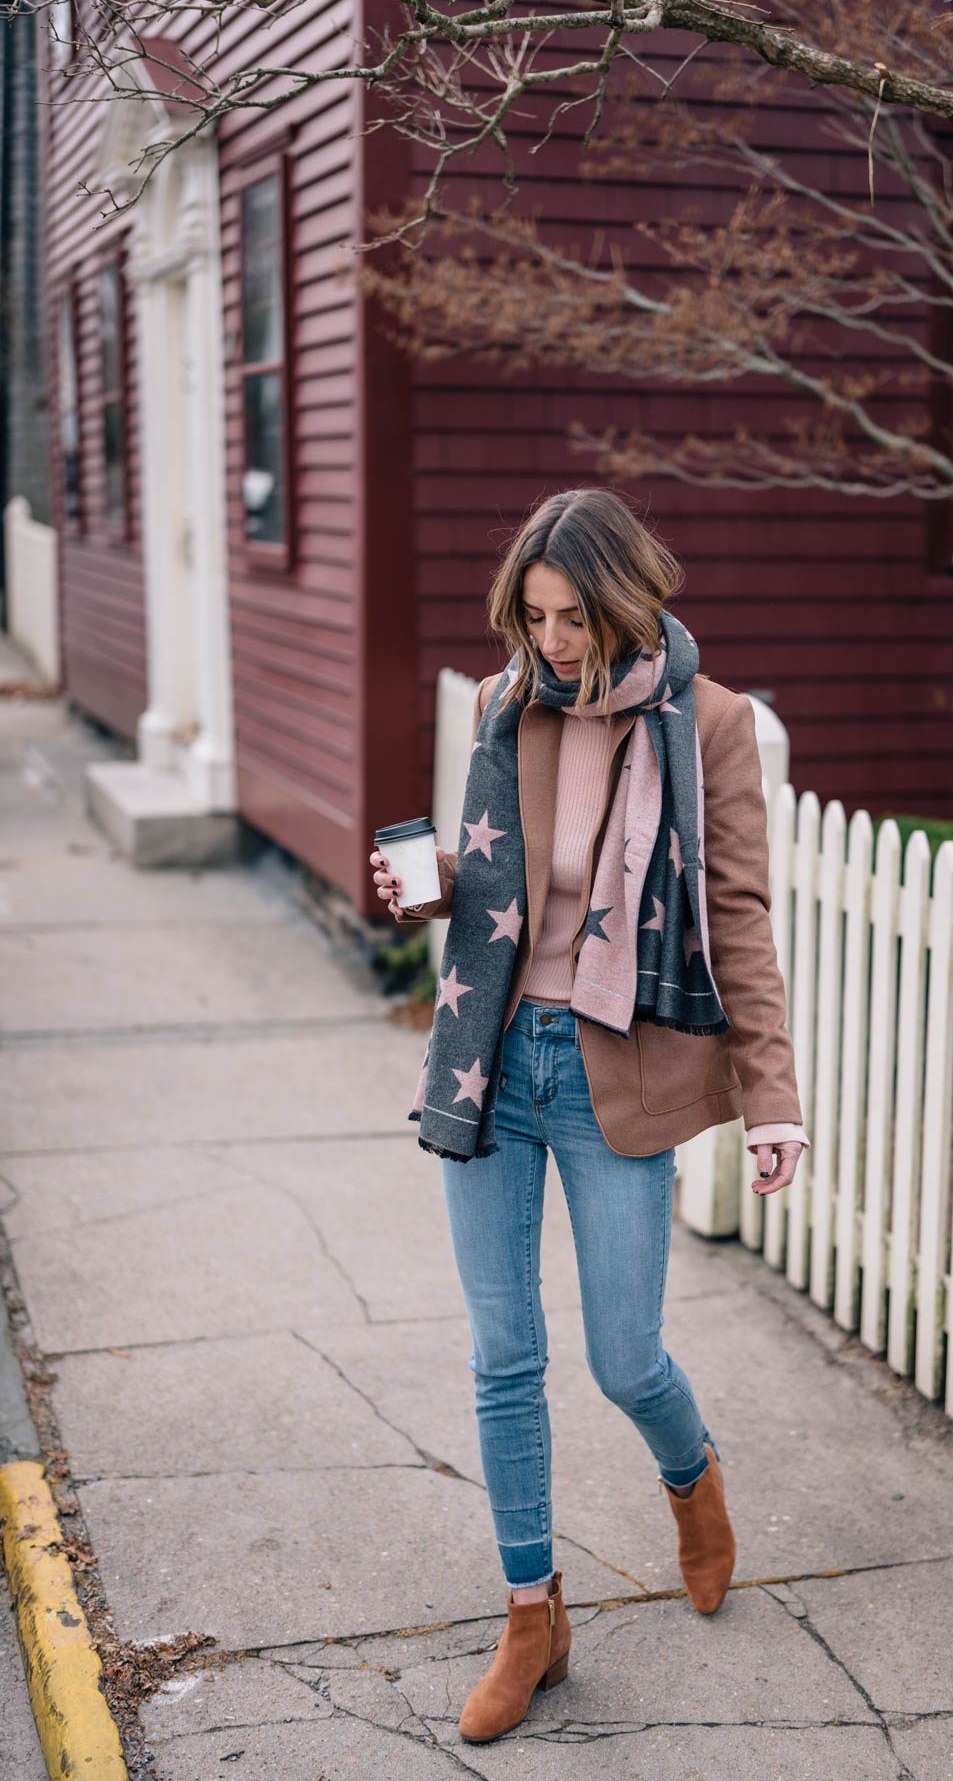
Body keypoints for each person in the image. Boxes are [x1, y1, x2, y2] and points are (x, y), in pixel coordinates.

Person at [370, 488, 808, 1744]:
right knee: (504, 1356)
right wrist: (434, 881)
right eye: (532, 615)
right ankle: (531, 1616)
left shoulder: (708, 726)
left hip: (618, 1069)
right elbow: (501, 877)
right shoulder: (505, 706)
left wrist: (772, 1101)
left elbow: (738, 922)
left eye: (571, 617)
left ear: (628, 603)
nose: (549, 642)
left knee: (625, 1356)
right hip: (494, 1065)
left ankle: (693, 1480)